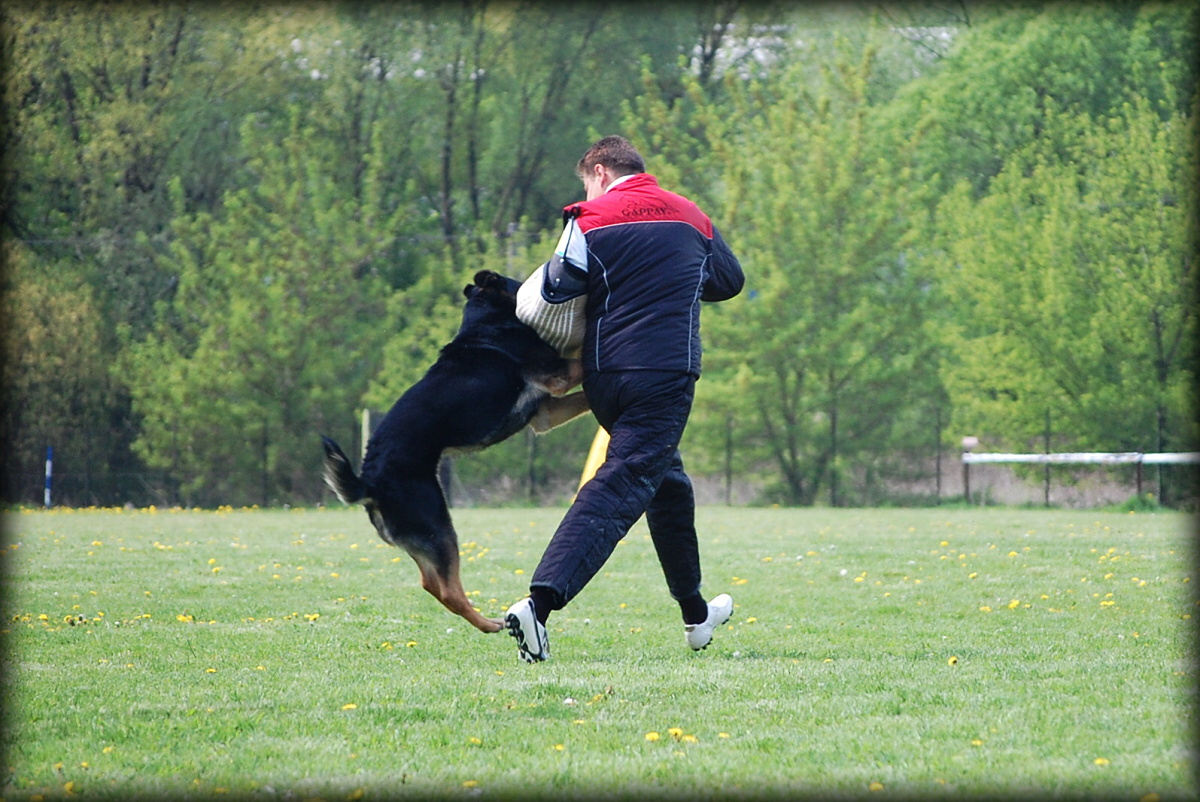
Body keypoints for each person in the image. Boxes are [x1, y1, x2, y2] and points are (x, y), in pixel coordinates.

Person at [505, 135, 744, 662]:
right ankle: (539, 605)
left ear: (598, 170)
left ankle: (696, 615)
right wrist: (671, 277)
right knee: (624, 483)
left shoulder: (587, 217)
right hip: (664, 373)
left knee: (667, 485)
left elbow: (560, 284)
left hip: (605, 377)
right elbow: (729, 280)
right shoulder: (690, 215)